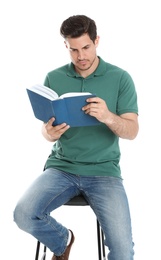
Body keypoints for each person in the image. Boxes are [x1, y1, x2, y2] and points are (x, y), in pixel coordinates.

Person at [14, 15, 139, 260]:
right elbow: (46, 127)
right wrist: (47, 133)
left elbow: (132, 131)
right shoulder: (54, 77)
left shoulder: (120, 78)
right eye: (73, 50)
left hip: (104, 171)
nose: (81, 56)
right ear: (66, 46)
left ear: (96, 41)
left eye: (86, 47)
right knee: (23, 214)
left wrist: (107, 116)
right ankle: (63, 240)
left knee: (124, 252)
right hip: (62, 168)